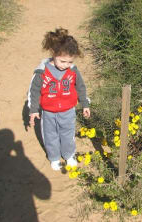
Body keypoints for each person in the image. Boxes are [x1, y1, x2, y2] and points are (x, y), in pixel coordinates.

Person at [28, 28, 91, 171]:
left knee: (68, 134)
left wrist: (85, 104)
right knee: (50, 136)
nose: (65, 65)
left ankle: (69, 155)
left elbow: (80, 87)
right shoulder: (42, 71)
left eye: (69, 62)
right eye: (62, 61)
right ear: (53, 53)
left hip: (68, 111)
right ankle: (54, 157)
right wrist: (33, 110)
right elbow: (34, 91)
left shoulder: (72, 70)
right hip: (48, 112)